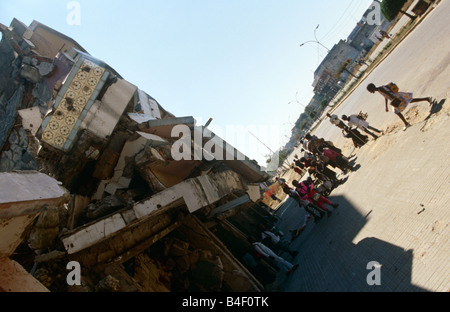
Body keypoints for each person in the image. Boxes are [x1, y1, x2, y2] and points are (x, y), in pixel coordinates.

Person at [367, 83, 433, 131]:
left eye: (370, 91)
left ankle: (406, 123)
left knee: (403, 106)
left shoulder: (380, 89)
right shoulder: (379, 89)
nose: (370, 92)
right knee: (409, 101)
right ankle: (426, 99)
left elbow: (388, 94)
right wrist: (386, 106)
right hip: (396, 97)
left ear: (372, 88)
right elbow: (385, 97)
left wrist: (395, 100)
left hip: (396, 97)